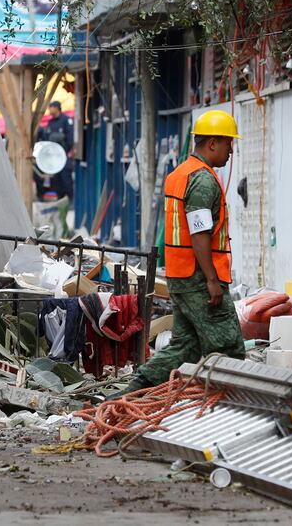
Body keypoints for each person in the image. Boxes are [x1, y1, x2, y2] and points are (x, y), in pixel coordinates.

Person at [120, 109, 246, 394]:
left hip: (180, 275)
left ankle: (132, 391)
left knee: (184, 347)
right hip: (199, 279)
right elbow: (199, 232)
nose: (231, 151)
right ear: (212, 143)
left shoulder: (180, 173)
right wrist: (212, 280)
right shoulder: (202, 180)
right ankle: (229, 404)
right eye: (228, 143)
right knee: (228, 348)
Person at [36, 100, 74, 199]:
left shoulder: (66, 120)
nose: (49, 109)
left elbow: (70, 138)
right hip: (53, 158)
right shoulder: (50, 122)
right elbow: (46, 138)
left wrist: (64, 150)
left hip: (64, 156)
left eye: (51, 107)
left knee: (66, 179)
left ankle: (70, 199)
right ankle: (60, 199)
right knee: (57, 180)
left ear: (57, 108)